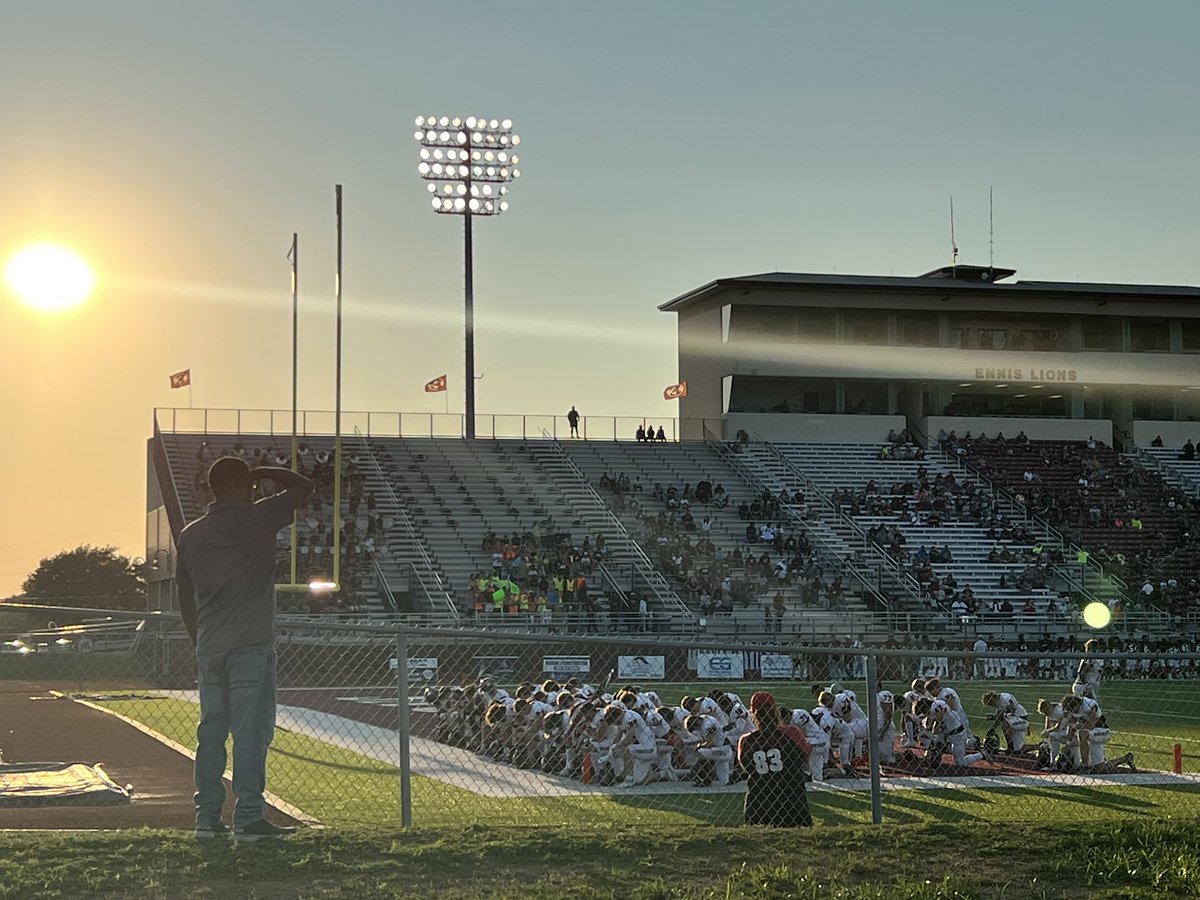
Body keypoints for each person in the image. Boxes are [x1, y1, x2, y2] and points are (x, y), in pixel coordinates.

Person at [177, 456, 314, 843]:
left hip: (211, 644)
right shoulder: (256, 519)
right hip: (250, 645)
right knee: (251, 732)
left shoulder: (191, 533)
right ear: (243, 485)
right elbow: (304, 488)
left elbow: (184, 597)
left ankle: (206, 818)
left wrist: (198, 639)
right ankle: (249, 816)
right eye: (250, 486)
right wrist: (265, 471)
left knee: (211, 733)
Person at [736, 692, 812, 827]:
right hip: (791, 796)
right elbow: (805, 753)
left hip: (759, 799)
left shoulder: (747, 740)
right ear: (775, 710)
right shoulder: (791, 732)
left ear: (753, 713)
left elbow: (745, 766)